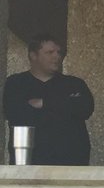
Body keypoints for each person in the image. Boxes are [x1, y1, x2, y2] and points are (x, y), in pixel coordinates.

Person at [3, 34, 94, 165]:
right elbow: (16, 114)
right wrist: (65, 105)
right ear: (33, 55)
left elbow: (86, 108)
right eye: (50, 52)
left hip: (71, 163)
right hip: (30, 162)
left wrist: (43, 103)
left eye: (59, 52)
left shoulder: (74, 84)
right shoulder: (17, 83)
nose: (57, 56)